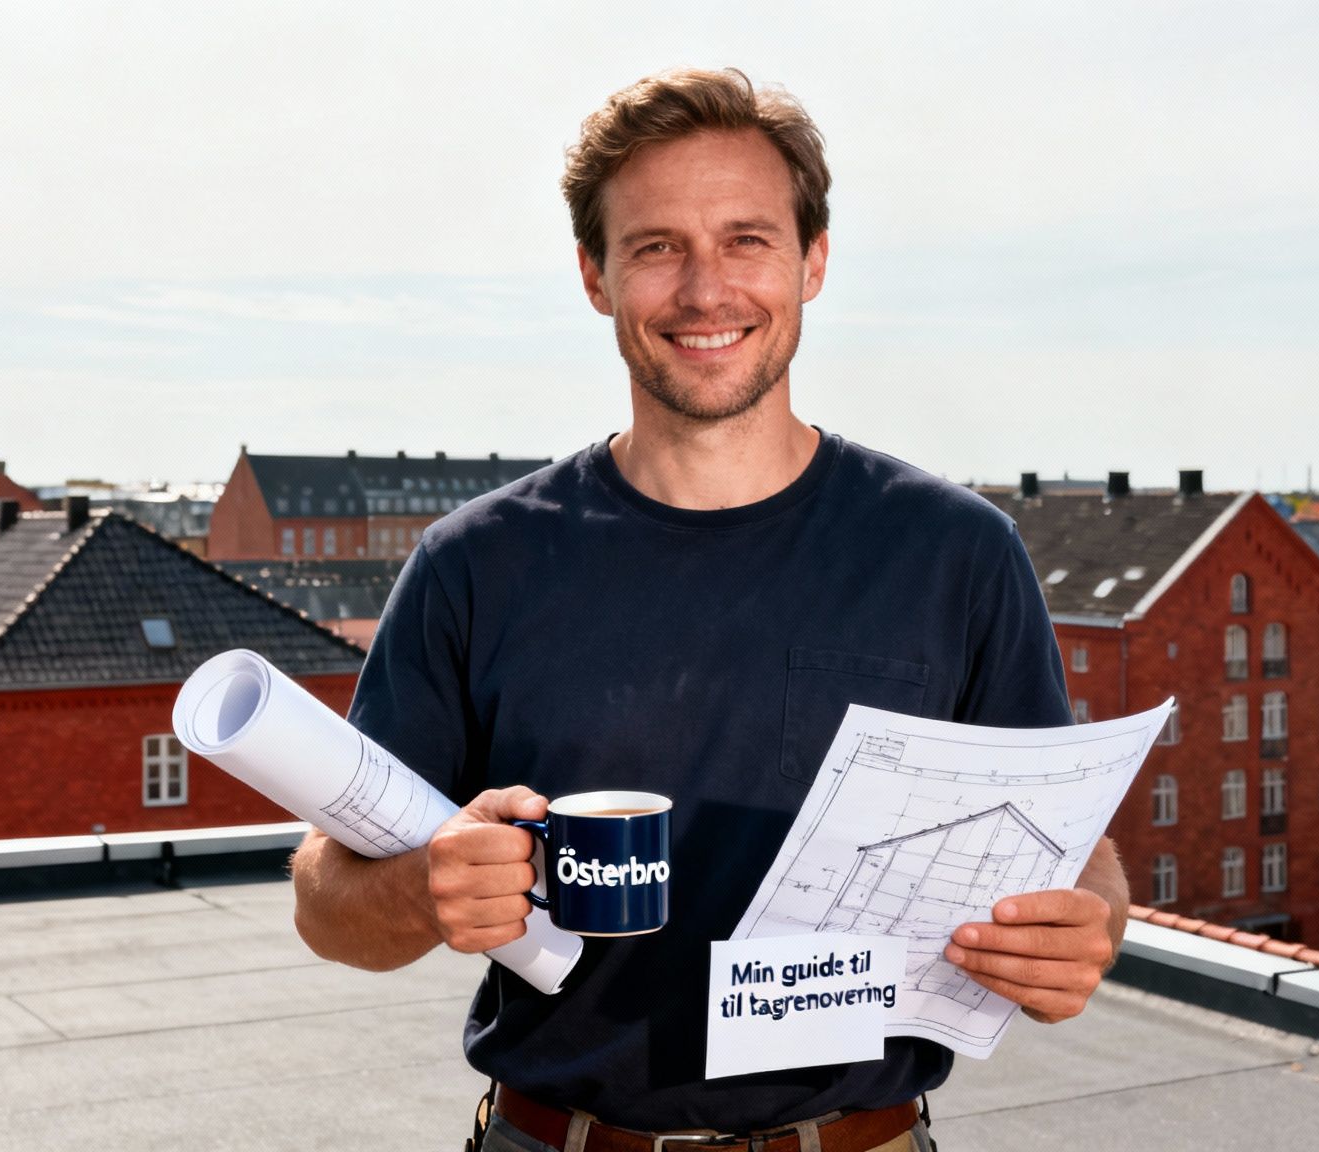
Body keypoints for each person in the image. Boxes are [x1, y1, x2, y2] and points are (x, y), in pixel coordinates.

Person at [291, 67, 1129, 1152]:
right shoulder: (474, 565)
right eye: (654, 247)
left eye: (745, 239)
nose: (704, 290)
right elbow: (326, 902)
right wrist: (419, 890)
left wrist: (1090, 923)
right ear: (595, 276)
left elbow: (1068, 846)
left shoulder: (954, 552)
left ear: (810, 261)